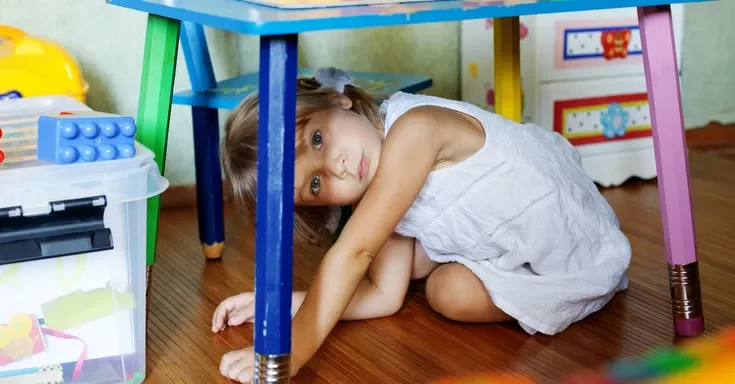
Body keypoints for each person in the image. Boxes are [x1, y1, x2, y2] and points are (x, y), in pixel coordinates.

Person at [212, 67, 632, 382]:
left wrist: (285, 354)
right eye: (316, 183)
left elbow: (353, 253)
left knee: (435, 283)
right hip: (510, 237)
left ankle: (565, 290)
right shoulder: (379, 184)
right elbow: (383, 296)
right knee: (444, 290)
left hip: (568, 240)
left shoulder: (415, 129)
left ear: (336, 102)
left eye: (318, 140)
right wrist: (283, 306)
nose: (337, 167)